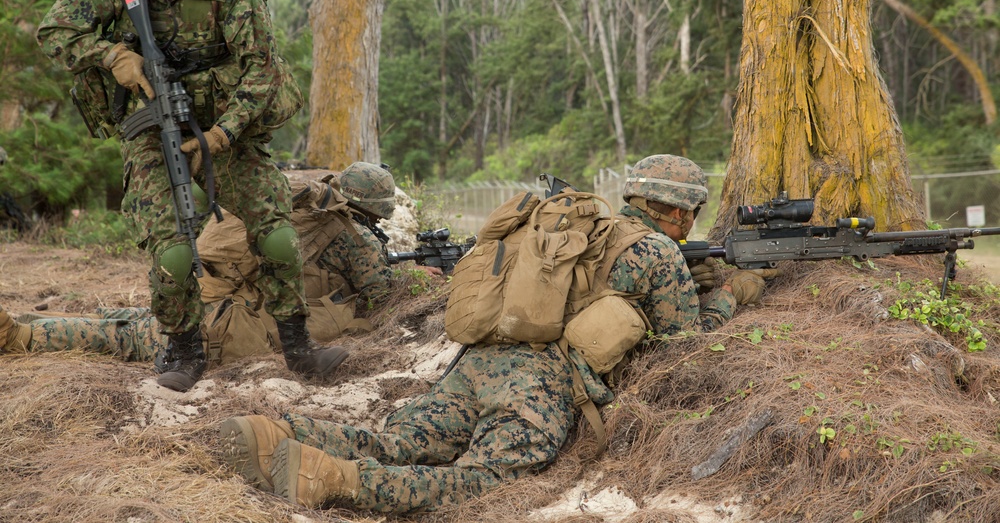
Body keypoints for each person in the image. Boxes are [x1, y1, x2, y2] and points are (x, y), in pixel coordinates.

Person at [218, 154, 769, 514]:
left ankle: (273, 432)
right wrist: (727, 296)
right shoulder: (656, 251)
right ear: (674, 209)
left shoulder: (574, 222)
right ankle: (335, 480)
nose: (692, 223)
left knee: (404, 441)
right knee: (483, 479)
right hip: (539, 383)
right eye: (691, 212)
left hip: (475, 359)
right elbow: (683, 342)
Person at [36, 0, 342, 392]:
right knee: (175, 252)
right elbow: (54, 30)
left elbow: (262, 68)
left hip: (225, 124)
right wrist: (112, 55)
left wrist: (222, 136)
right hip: (153, 127)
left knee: (279, 237)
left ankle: (298, 347)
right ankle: (183, 349)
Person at [0, 165, 398, 371]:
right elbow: (383, 295)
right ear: (377, 208)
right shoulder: (354, 237)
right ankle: (19, 334)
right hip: (221, 322)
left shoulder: (303, 208)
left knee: (134, 321)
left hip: (211, 296)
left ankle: (32, 320)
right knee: (119, 336)